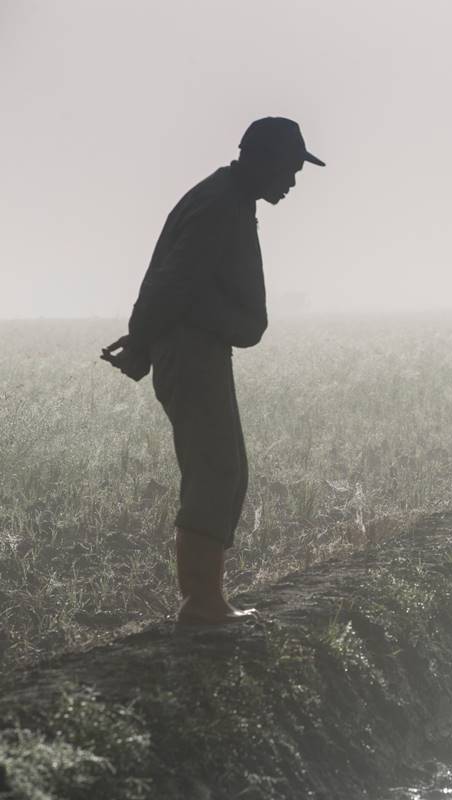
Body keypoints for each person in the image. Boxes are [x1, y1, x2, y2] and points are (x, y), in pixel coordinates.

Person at [101, 117, 324, 624]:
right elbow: (175, 280)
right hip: (192, 347)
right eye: (289, 168)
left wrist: (143, 338)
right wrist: (141, 340)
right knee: (215, 467)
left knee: (223, 466)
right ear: (263, 160)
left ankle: (205, 601)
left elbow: (176, 280)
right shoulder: (221, 204)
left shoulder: (226, 198)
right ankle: (200, 604)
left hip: (200, 346)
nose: (292, 181)